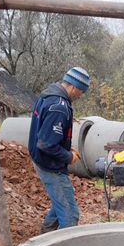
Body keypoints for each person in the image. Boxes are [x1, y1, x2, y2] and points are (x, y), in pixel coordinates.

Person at [28, 67, 90, 232]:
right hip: (50, 165)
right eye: (81, 91)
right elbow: (46, 144)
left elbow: (46, 132)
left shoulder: (49, 96)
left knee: (61, 201)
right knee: (70, 214)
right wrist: (69, 157)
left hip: (43, 160)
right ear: (73, 87)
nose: (81, 96)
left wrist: (66, 147)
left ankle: (46, 232)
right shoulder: (59, 107)